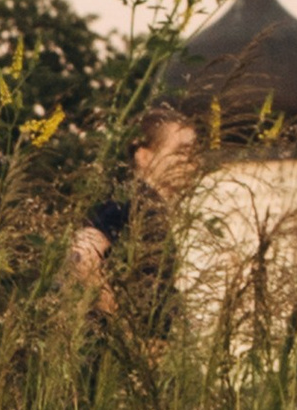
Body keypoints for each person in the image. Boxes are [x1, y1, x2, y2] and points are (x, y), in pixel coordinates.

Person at [71, 101, 202, 289]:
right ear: (143, 156)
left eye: (194, 154)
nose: (192, 163)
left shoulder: (150, 206)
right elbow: (80, 254)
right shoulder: (131, 200)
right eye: (181, 152)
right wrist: (111, 309)